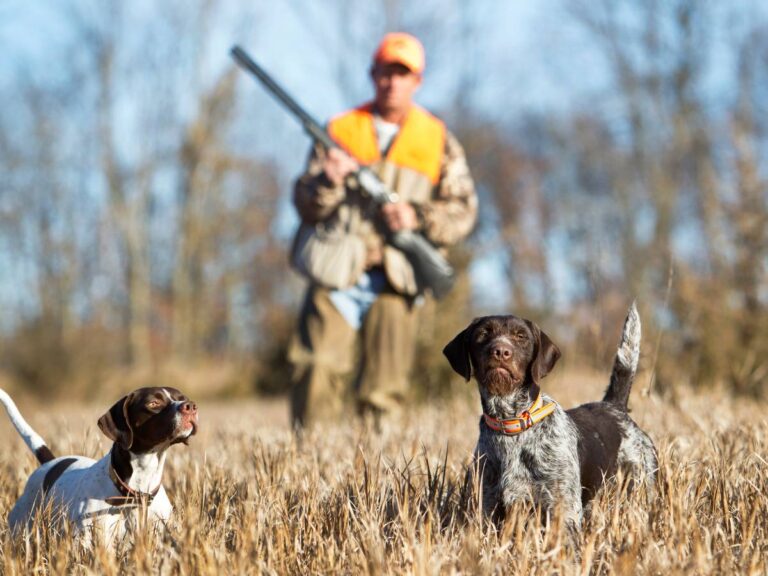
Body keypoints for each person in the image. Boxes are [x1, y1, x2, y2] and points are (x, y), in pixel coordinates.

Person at [288, 32, 477, 429]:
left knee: (384, 391)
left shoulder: (437, 138)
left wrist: (418, 217)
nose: (391, 81)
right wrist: (327, 181)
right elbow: (304, 204)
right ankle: (311, 458)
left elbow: (464, 211)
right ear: (372, 75)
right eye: (385, 72)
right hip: (338, 267)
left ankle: (375, 473)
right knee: (316, 370)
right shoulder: (339, 128)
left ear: (417, 81)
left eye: (402, 73)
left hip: (398, 273)